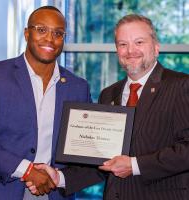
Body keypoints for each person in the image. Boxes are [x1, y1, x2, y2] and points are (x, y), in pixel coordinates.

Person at [27, 14, 189, 200]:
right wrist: (60, 177)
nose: (130, 50)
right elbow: (101, 162)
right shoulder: (109, 94)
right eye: (123, 44)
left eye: (139, 42)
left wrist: (135, 165)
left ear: (156, 47)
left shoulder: (181, 86)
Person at [0, 6, 91, 200]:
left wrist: (61, 177)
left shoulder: (78, 87)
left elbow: (83, 149)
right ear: (27, 33)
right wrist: (27, 170)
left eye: (58, 33)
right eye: (41, 30)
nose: (50, 39)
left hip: (51, 192)